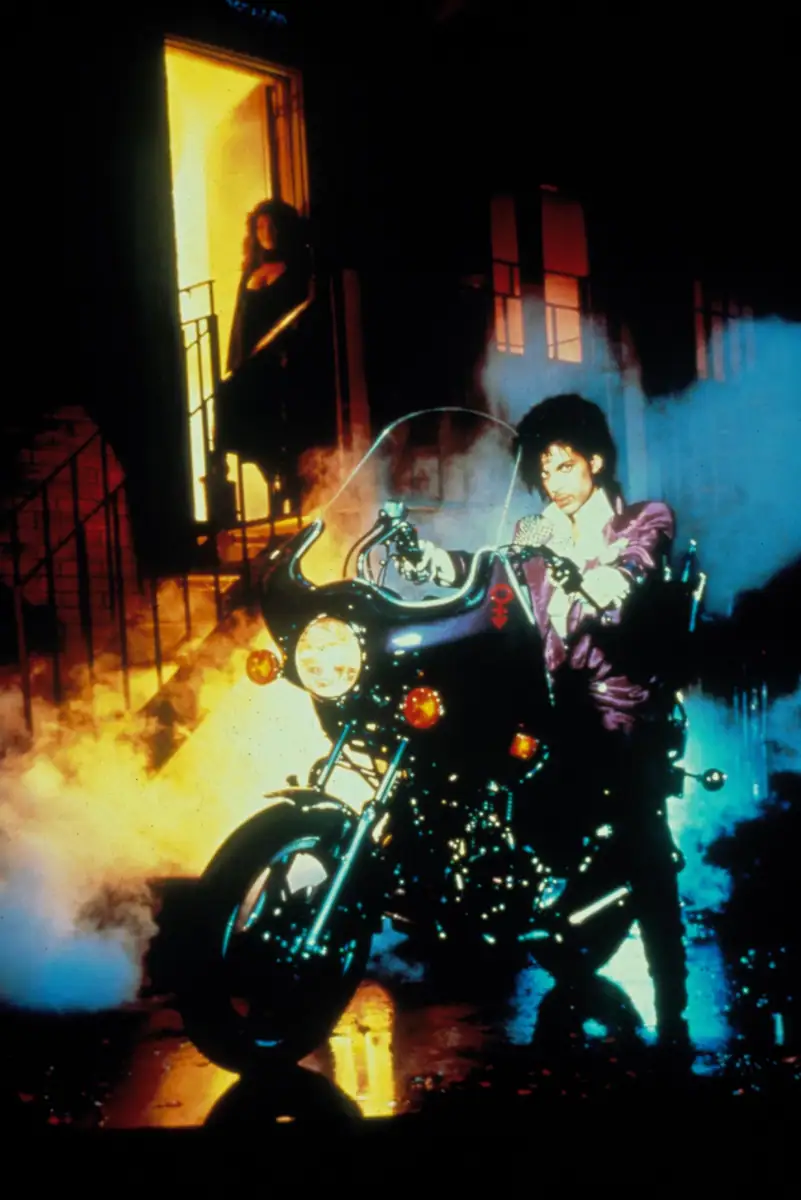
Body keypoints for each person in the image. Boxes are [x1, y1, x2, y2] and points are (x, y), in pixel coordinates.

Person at [406, 394, 693, 1054]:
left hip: (621, 704)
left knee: (642, 836)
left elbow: (633, 567)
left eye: (564, 466)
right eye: (543, 470)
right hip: (554, 701)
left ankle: (672, 1001)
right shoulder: (536, 529)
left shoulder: (641, 517)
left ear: (595, 461)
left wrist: (601, 579)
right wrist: (430, 563)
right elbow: (490, 576)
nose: (553, 481)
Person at [212, 199, 313, 514]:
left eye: (272, 225)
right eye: (260, 227)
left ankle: (284, 482)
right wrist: (235, 361)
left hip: (279, 361)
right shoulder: (250, 272)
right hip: (252, 362)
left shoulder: (296, 271)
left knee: (271, 421)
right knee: (227, 400)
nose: (266, 232)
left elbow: (299, 316)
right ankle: (263, 476)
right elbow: (240, 322)